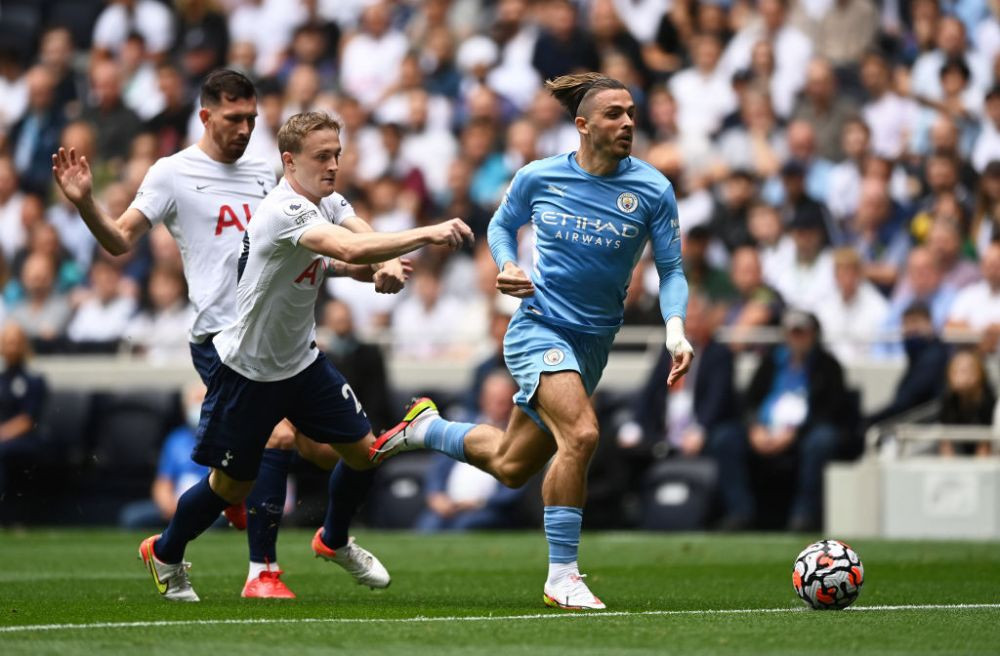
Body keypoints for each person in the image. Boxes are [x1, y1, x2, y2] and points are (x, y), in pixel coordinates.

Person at [52, 69, 405, 599]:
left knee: (328, 453)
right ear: (206, 115)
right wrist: (85, 203)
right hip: (223, 341)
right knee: (277, 439)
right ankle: (262, 571)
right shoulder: (172, 173)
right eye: (234, 118)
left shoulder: (268, 173)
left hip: (284, 339)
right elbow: (121, 240)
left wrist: (360, 268)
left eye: (251, 119)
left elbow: (295, 253)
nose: (244, 128)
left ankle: (314, 535)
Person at [370, 73, 693, 610]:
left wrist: (675, 329)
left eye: (632, 113)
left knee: (510, 464)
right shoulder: (539, 176)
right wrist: (507, 264)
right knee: (582, 435)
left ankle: (426, 427)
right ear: (583, 125)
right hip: (538, 328)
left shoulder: (653, 188)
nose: (628, 123)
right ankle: (562, 577)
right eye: (614, 114)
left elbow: (672, 269)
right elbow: (501, 227)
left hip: (592, 345)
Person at [135, 110, 472, 602]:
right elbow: (347, 248)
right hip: (247, 371)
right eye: (321, 157)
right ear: (290, 161)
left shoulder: (327, 200)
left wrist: (384, 263)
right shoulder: (284, 210)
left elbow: (359, 234)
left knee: (364, 453)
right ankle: (165, 551)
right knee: (230, 488)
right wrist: (425, 233)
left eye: (337, 154)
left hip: (302, 363)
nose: (333, 165)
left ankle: (333, 539)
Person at [118, 383, 219, 528]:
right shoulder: (175, 439)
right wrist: (168, 504)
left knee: (217, 522)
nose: (199, 407)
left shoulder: (222, 439)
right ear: (185, 408)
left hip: (210, 507)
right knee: (132, 516)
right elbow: (163, 481)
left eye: (203, 401)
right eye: (195, 402)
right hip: (175, 505)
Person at [0, 322, 48, 507]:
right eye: (7, 342)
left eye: (15, 342)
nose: (11, 346)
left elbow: (27, 421)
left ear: (24, 345)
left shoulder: (34, 379)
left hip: (25, 439)